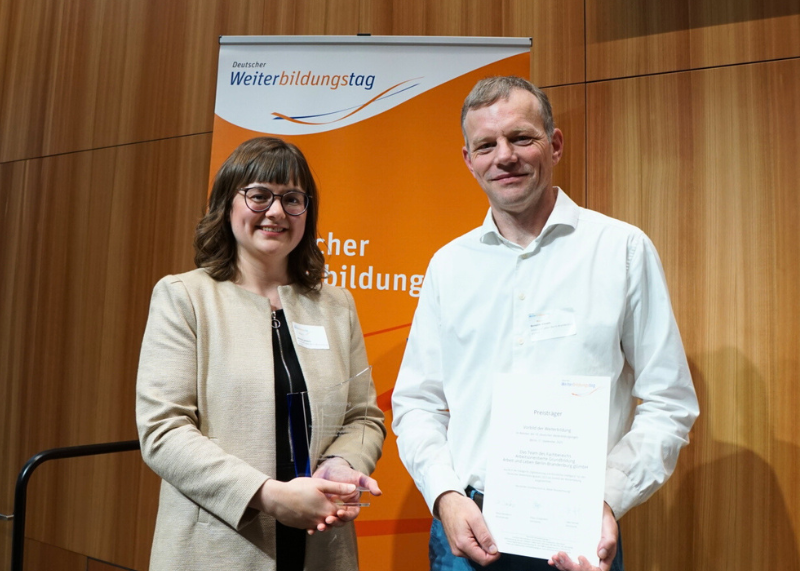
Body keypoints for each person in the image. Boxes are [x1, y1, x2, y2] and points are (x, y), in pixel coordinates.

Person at [391, 76, 699, 571]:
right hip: (469, 527)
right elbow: (417, 403)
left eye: (521, 138)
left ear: (553, 145)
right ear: (468, 160)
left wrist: (608, 499)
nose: (504, 156)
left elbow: (669, 402)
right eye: (486, 145)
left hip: (579, 532)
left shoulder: (620, 250)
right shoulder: (449, 266)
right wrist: (445, 495)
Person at [136, 136, 386, 571]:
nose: (275, 212)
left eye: (292, 199)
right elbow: (163, 430)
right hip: (219, 546)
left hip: (322, 544)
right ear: (227, 205)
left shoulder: (336, 305)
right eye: (259, 195)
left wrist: (340, 465)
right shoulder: (185, 298)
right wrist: (268, 495)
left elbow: (363, 417)